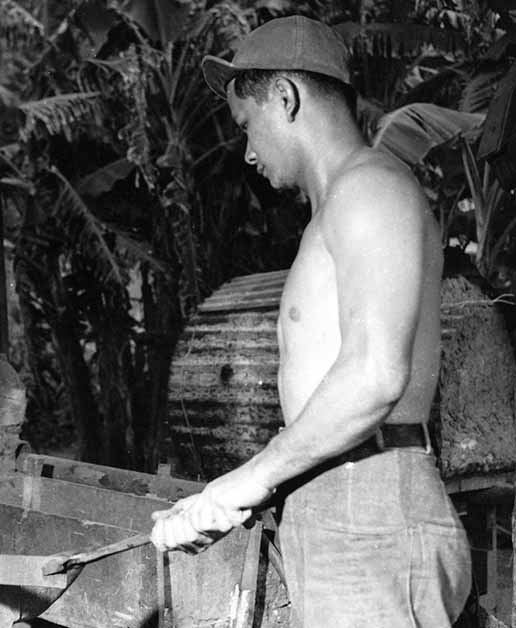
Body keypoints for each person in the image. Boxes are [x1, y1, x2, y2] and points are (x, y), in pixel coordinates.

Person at [149, 15, 471, 626]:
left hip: (369, 509)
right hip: (345, 502)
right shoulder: (339, 208)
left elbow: (376, 375)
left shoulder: (371, 189)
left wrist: (246, 481)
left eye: (247, 126)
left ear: (286, 97)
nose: (246, 152)